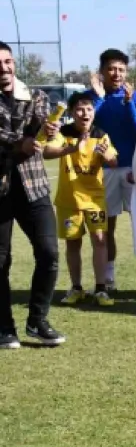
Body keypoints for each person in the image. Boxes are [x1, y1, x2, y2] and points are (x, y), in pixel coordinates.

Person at [0, 41, 65, 349]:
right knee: (0, 262)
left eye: (8, 62)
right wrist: (20, 144)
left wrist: (48, 129)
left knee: (49, 254)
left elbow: (41, 123)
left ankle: (37, 321)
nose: (4, 68)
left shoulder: (36, 95)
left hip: (33, 187)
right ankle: (4, 328)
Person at [40, 92, 118, 307]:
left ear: (93, 113)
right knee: (73, 244)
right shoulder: (64, 133)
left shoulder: (101, 135)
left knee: (100, 242)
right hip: (69, 199)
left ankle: (101, 289)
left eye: (89, 109)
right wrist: (73, 148)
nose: (85, 114)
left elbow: (112, 160)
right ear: (73, 113)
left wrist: (109, 157)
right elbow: (47, 152)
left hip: (95, 199)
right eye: (80, 110)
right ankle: (76, 287)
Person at [89, 49, 136, 293]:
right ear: (101, 72)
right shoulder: (91, 97)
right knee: (107, 227)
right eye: (112, 69)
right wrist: (99, 97)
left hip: (134, 170)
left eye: (121, 69)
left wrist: (129, 103)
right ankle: (109, 279)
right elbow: (87, 123)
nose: (117, 73)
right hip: (105, 171)